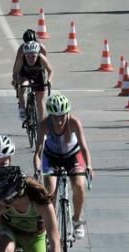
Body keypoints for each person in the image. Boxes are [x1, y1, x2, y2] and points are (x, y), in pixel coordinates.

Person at [34, 92, 93, 239]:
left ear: (68, 113)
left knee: (79, 185)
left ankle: (77, 220)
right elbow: (38, 152)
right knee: (50, 190)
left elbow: (84, 147)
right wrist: (37, 168)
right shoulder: (44, 125)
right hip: (51, 157)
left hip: (72, 155)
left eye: (62, 116)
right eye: (55, 116)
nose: (59, 121)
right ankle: (50, 223)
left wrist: (89, 166)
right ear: (50, 115)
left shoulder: (74, 123)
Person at [12, 41, 53, 125]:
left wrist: (49, 80)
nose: (30, 59)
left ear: (37, 54)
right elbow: (15, 73)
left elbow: (50, 70)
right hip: (25, 75)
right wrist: (16, 82)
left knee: (40, 100)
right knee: (23, 86)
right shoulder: (21, 58)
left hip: (38, 76)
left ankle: (42, 124)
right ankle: (22, 108)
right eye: (28, 56)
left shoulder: (41, 58)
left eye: (33, 56)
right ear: (25, 55)